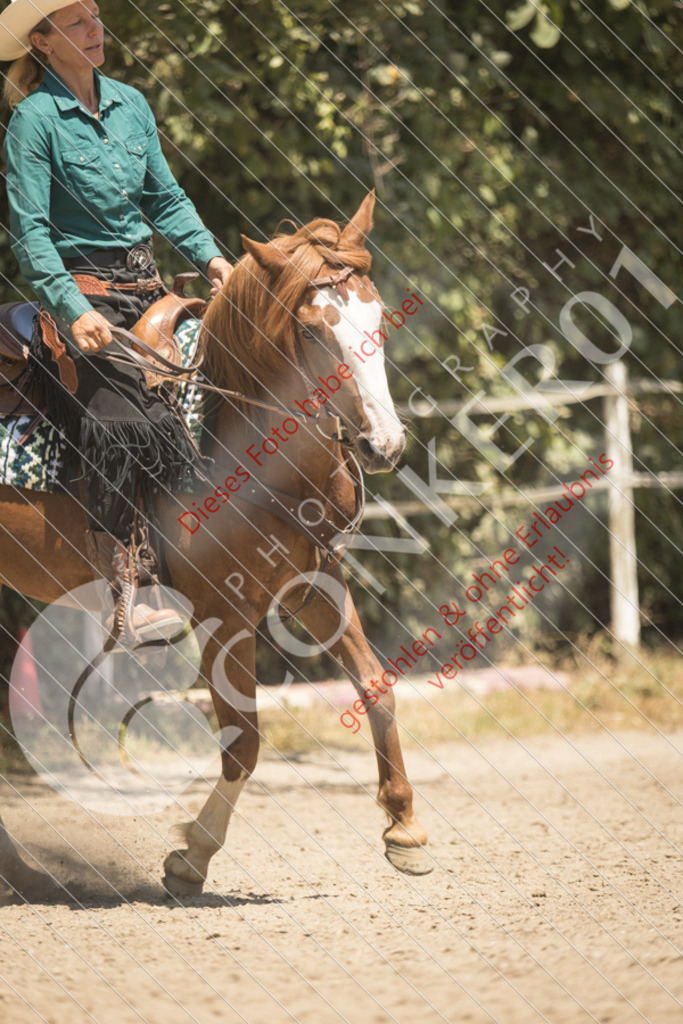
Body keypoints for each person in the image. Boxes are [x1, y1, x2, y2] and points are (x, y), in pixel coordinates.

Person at [0, 0, 233, 641]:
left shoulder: (131, 102)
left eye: (95, 15)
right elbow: (32, 234)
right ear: (43, 43)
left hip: (150, 289)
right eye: (76, 22)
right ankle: (125, 591)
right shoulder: (32, 121)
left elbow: (166, 197)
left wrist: (211, 257)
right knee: (127, 419)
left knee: (211, 399)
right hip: (83, 296)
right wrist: (73, 312)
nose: (94, 29)